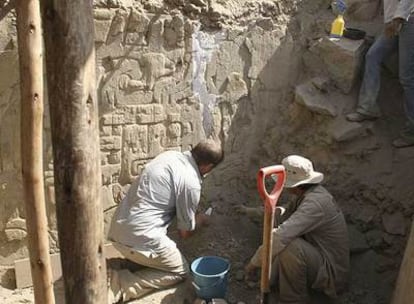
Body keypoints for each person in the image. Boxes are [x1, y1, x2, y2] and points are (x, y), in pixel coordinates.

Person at [107, 139, 224, 303]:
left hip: (118, 229)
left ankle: (120, 266)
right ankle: (120, 284)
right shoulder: (191, 183)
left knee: (159, 255)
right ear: (208, 167)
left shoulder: (169, 156)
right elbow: (185, 232)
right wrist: (201, 219)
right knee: (180, 271)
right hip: (138, 239)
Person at [245, 155, 349, 304]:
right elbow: (284, 216)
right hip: (315, 255)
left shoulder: (315, 204)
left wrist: (253, 263)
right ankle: (272, 278)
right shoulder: (307, 194)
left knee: (290, 246)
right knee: (276, 218)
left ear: (295, 185)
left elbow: (281, 237)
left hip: (331, 273)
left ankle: (293, 299)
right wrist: (255, 212)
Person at [345, 0, 414, 148]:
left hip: (408, 20)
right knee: (373, 56)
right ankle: (367, 108)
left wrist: (397, 19)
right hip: (395, 21)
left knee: (407, 78)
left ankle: (411, 131)